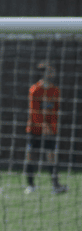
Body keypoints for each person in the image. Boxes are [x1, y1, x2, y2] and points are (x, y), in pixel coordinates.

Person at [22, 62, 67, 194]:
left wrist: (52, 126)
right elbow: (34, 111)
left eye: (53, 70)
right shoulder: (35, 90)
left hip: (50, 130)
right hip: (35, 128)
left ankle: (55, 185)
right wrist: (43, 125)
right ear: (43, 73)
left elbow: (55, 110)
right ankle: (30, 185)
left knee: (51, 156)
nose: (52, 73)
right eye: (50, 71)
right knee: (30, 155)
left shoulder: (55, 90)